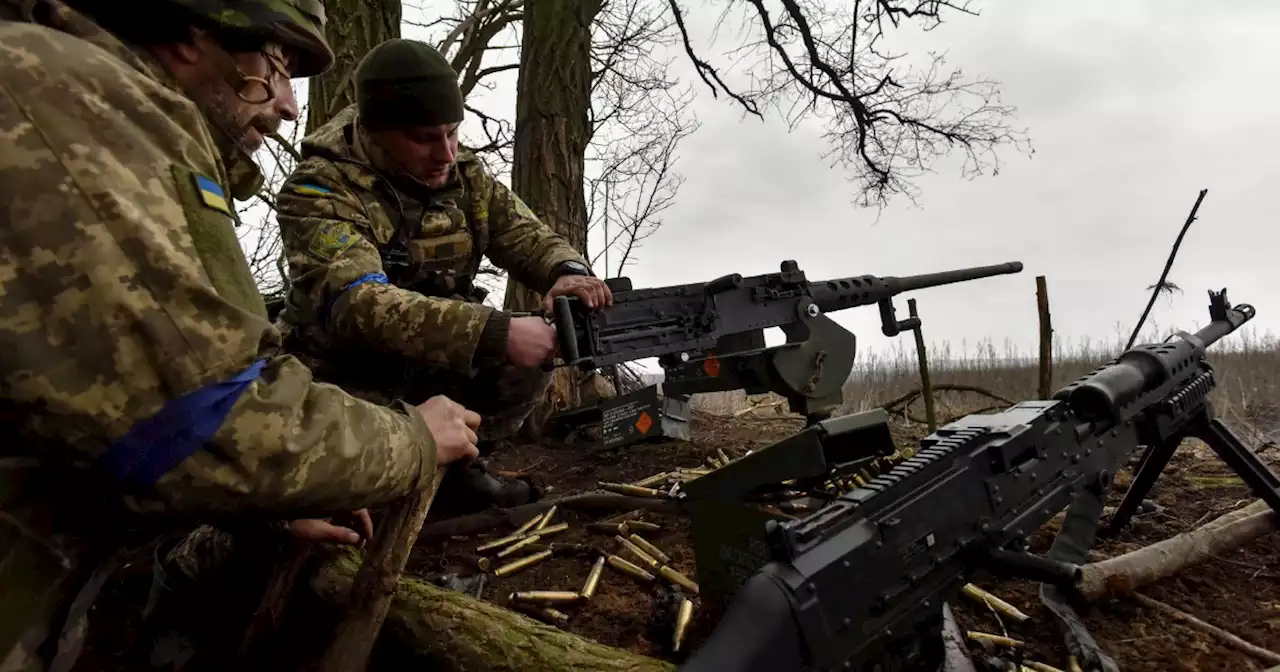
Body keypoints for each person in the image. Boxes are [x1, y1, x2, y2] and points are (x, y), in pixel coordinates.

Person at [0, 2, 483, 670]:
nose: (288, 106)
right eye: (277, 69)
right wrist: (413, 440)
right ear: (193, 36)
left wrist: (266, 508)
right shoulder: (74, 100)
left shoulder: (93, 99)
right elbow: (209, 422)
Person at [273, 37, 613, 513]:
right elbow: (359, 307)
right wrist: (495, 332)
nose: (447, 154)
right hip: (345, 373)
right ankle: (368, 485)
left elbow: (524, 233)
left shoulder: (464, 175)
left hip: (435, 361)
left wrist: (567, 270)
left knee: (528, 358)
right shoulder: (315, 191)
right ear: (375, 131)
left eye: (453, 133)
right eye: (425, 138)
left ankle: (456, 473)